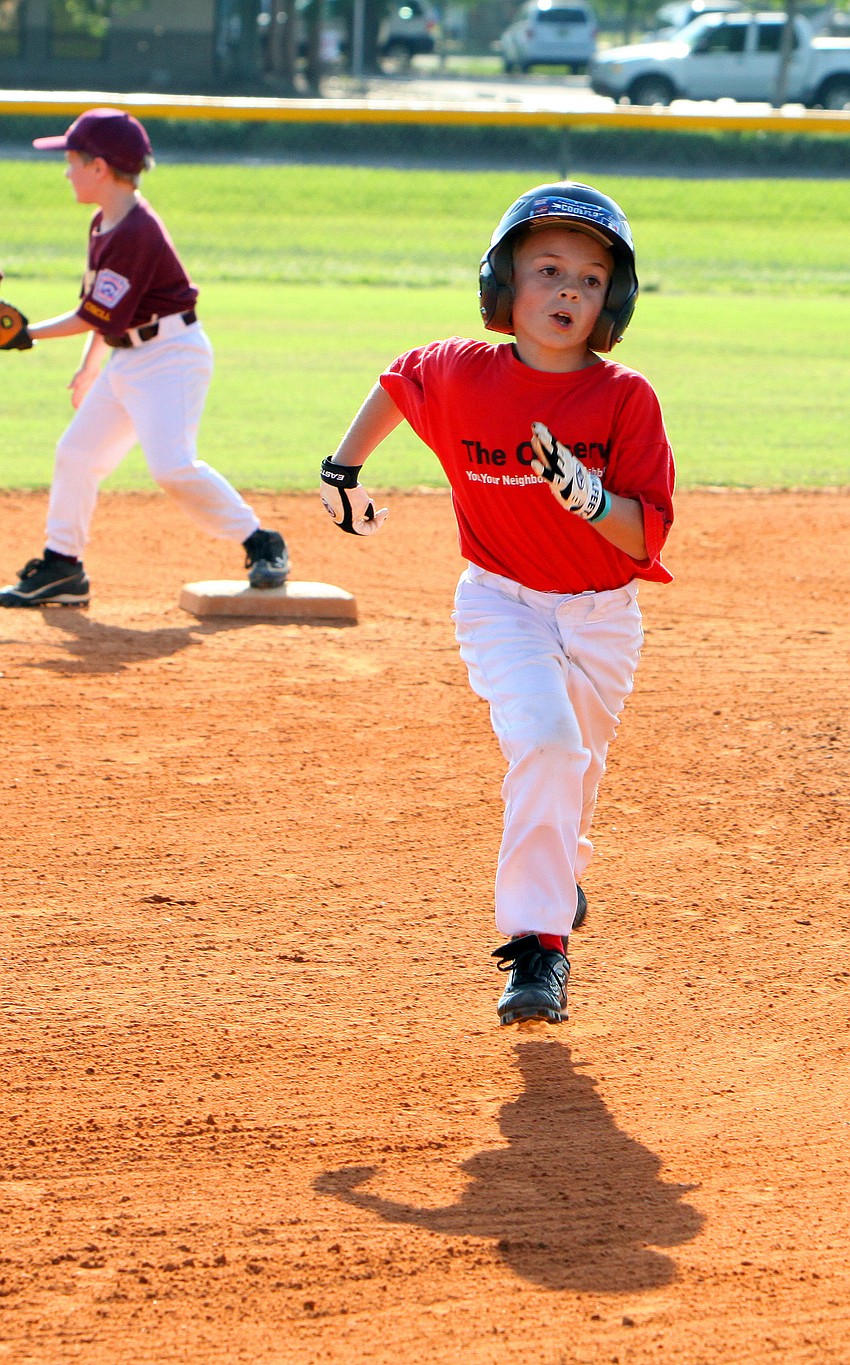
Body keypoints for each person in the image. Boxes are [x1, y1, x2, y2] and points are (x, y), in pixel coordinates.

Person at [319, 181, 675, 1027]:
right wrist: (342, 470)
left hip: (601, 615)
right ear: (502, 288)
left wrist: (589, 498)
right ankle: (536, 947)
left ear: (613, 301)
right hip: (502, 604)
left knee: (574, 771)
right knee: (549, 746)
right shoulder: (462, 373)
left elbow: (643, 539)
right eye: (548, 269)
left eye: (592, 279)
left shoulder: (627, 399)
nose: (568, 291)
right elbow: (401, 382)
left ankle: (557, 878)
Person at [0, 107, 289, 608]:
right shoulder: (104, 222)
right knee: (77, 455)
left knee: (172, 466)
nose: (66, 171)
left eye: (72, 160)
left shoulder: (136, 232)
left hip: (171, 357)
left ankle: (262, 542)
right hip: (130, 357)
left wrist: (25, 335)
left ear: (100, 167)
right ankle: (63, 565)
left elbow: (93, 315)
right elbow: (101, 310)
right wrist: (90, 369)